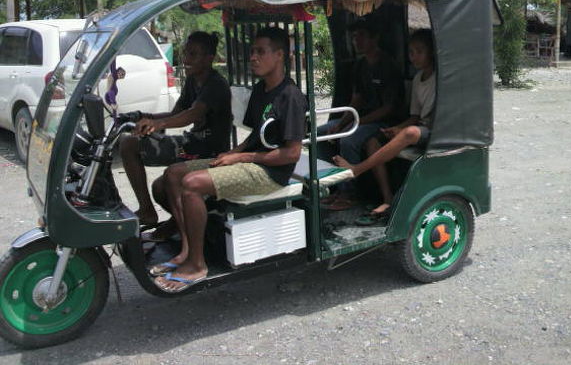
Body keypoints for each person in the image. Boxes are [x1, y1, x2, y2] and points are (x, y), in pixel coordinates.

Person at [153, 27, 307, 292]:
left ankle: (197, 264)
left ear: (280, 55)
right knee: (173, 174)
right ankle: (187, 251)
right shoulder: (261, 90)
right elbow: (255, 135)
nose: (254, 58)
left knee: (191, 184)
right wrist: (235, 153)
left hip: (271, 173)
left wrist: (242, 156)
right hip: (252, 161)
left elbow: (291, 153)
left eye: (261, 52)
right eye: (252, 52)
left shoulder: (290, 96)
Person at [119, 31, 232, 229]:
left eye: (193, 55)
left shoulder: (216, 84)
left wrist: (159, 125)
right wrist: (142, 116)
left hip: (208, 152)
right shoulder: (192, 80)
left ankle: (178, 225)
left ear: (209, 58)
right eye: (186, 54)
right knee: (129, 143)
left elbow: (192, 115)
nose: (186, 59)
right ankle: (152, 213)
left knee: (163, 181)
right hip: (193, 145)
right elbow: (176, 113)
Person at [334, 29, 435, 225]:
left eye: (419, 51)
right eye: (411, 52)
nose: (414, 57)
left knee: (410, 132)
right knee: (372, 142)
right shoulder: (417, 79)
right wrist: (397, 129)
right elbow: (415, 116)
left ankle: (356, 170)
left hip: (437, 131)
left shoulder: (440, 78)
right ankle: (387, 198)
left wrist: (404, 130)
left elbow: (420, 122)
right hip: (418, 127)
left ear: (432, 53)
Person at [318, 18, 404, 210]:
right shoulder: (360, 65)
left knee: (348, 139)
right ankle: (333, 187)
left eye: (362, 36)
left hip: (384, 122)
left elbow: (388, 108)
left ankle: (350, 194)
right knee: (322, 134)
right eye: (355, 37)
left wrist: (354, 125)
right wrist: (340, 125)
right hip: (362, 119)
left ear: (376, 38)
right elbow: (356, 100)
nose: (357, 41)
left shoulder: (388, 65)